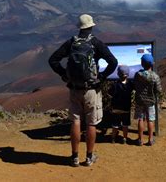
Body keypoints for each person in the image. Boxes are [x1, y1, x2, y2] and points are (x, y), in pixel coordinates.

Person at [48, 14, 118, 167]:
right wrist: (102, 77)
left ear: (79, 27)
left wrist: (64, 74)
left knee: (75, 121)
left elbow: (52, 60)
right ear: (91, 26)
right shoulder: (95, 43)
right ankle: (89, 157)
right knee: (91, 123)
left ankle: (74, 158)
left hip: (74, 89)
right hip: (91, 90)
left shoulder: (71, 43)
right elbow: (113, 62)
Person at [134, 53, 162, 146]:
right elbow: (158, 90)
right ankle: (150, 139)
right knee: (151, 119)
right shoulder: (155, 76)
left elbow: (135, 86)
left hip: (139, 100)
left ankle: (140, 140)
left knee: (141, 119)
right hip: (150, 101)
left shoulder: (137, 75)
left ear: (142, 63)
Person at [109, 65, 134, 144]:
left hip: (116, 107)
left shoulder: (115, 84)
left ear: (118, 74)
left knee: (115, 124)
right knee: (125, 125)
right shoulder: (130, 84)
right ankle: (124, 138)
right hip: (126, 108)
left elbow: (110, 93)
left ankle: (113, 138)